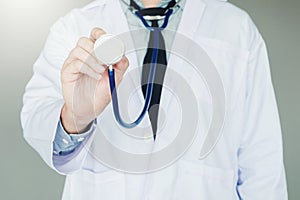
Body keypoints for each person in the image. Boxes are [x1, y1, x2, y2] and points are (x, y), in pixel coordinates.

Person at [21, 0, 288, 199]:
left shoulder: (237, 30)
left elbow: (263, 165)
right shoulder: (74, 28)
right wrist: (76, 116)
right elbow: (36, 121)